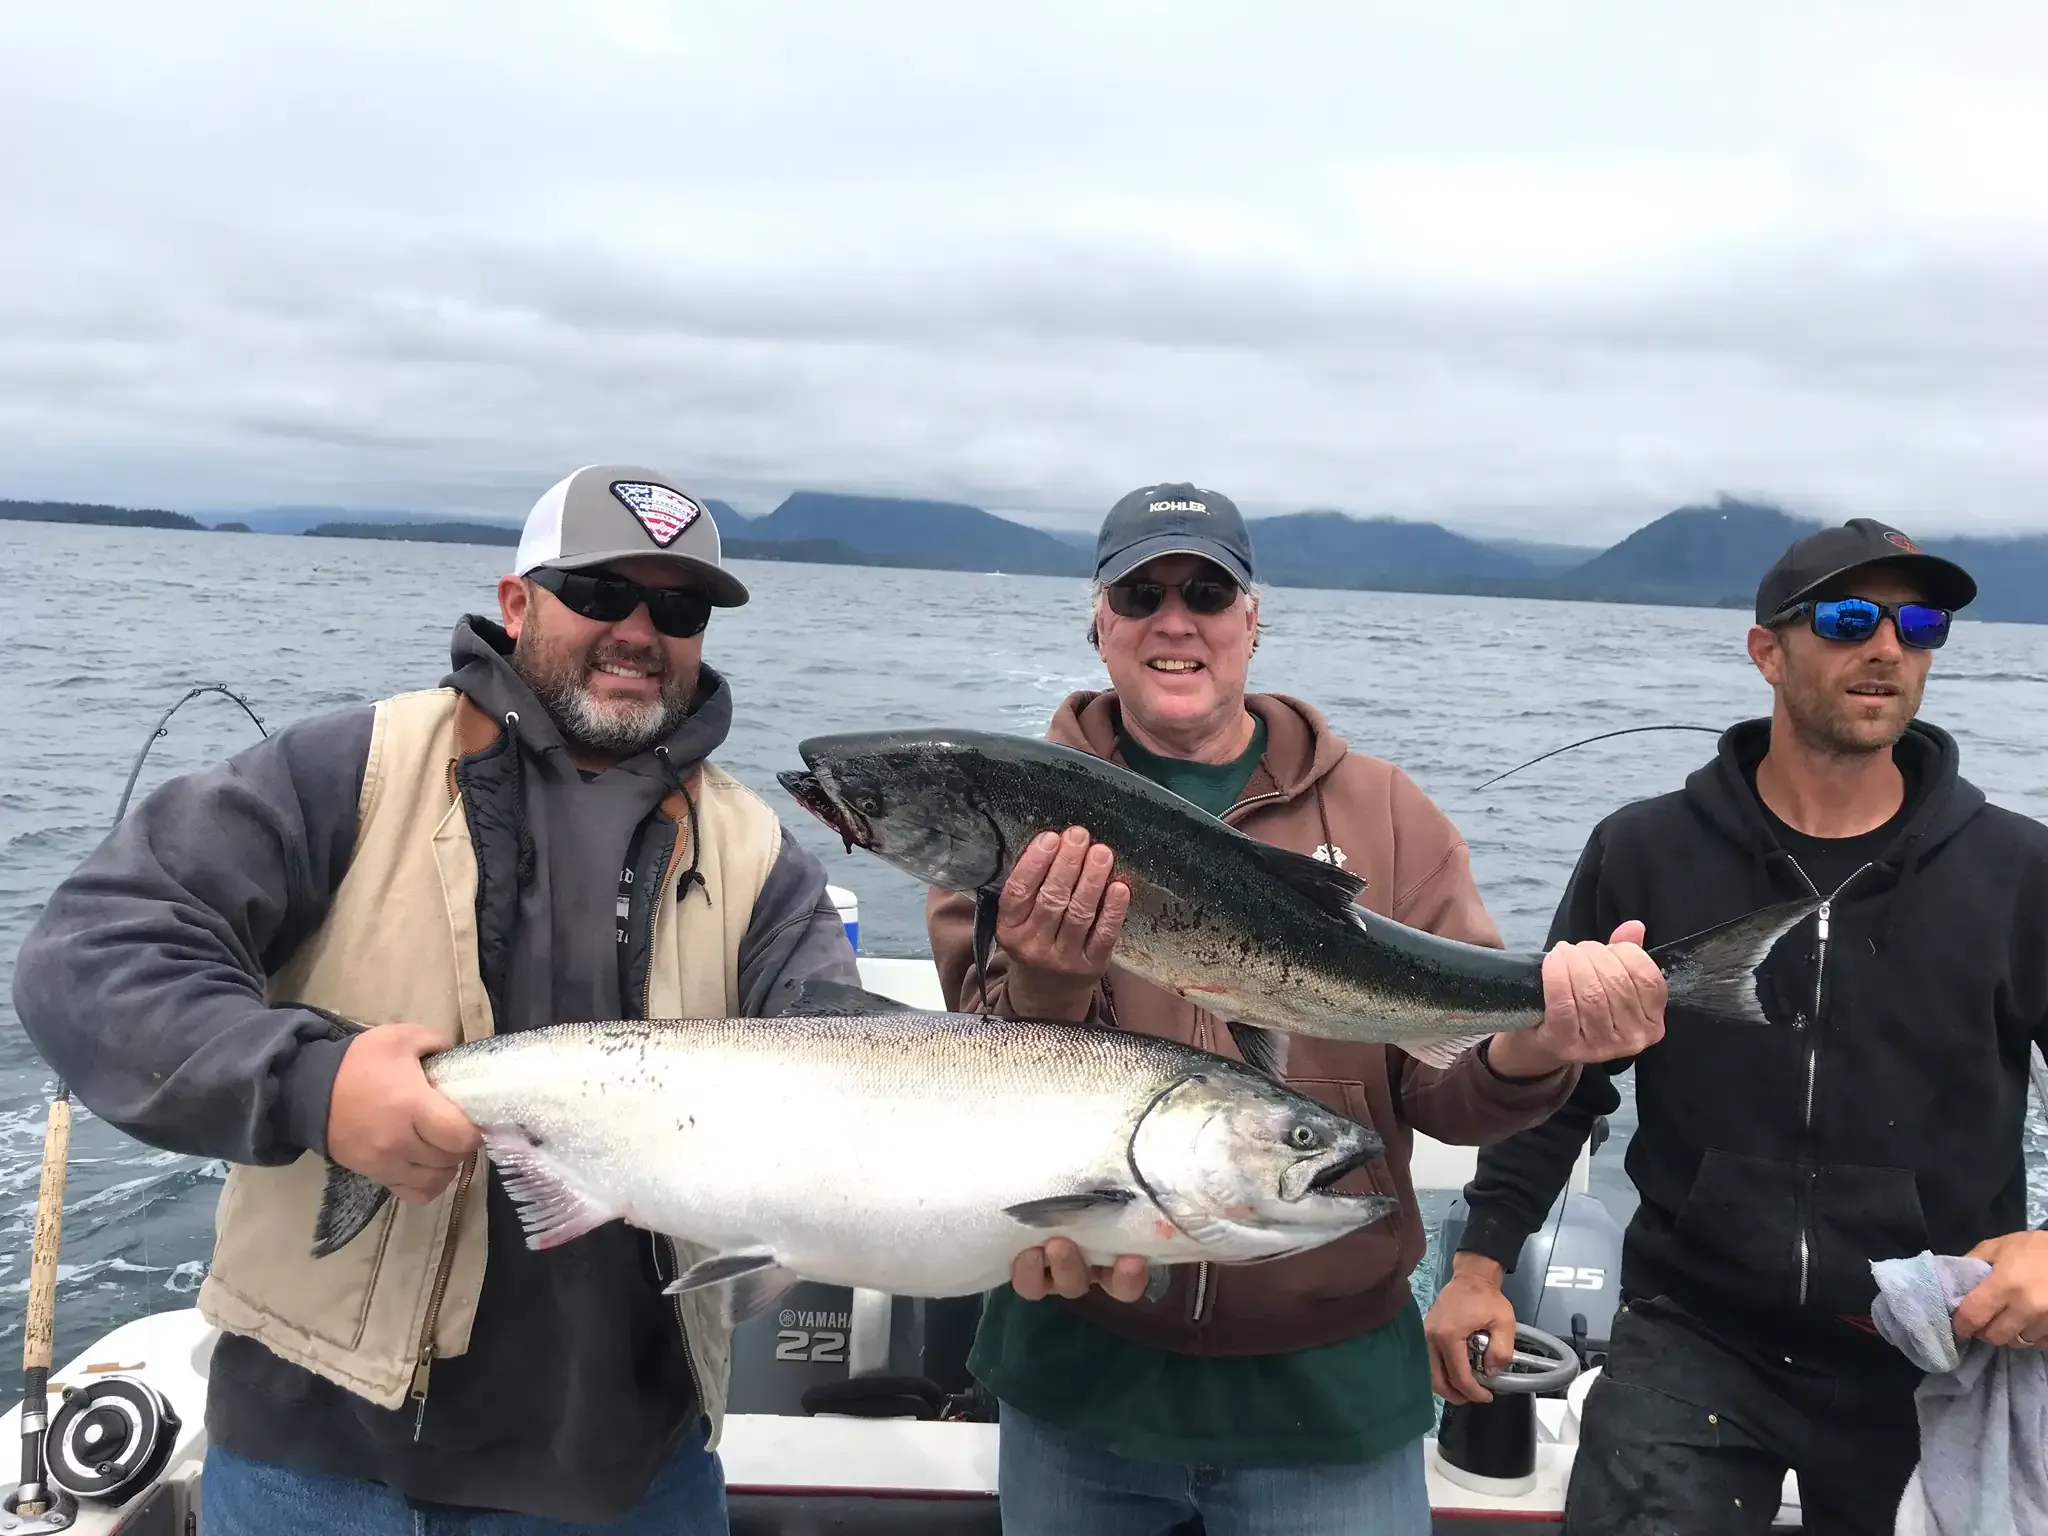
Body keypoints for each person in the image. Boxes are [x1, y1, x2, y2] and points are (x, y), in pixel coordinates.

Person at [11, 465, 862, 1534]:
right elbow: (92, 952)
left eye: (677, 608)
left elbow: (845, 1067)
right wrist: (312, 1085)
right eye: (599, 593)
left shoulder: (760, 855)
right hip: (316, 1469)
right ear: (517, 603)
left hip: (634, 1478)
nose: (638, 631)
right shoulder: (347, 771)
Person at [925, 481, 1672, 1535]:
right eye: (1140, 593)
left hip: (1325, 1401)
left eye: (1205, 591)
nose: (1173, 619)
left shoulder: (1386, 817)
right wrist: (1046, 981)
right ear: (1097, 621)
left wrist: (1537, 1042)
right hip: (1077, 1376)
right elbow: (967, 1089)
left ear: (1250, 619)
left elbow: (1450, 1097)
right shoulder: (1011, 810)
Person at [1425, 516, 2048, 1533]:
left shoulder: (2015, 874)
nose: (1885, 647)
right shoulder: (1644, 852)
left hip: (1933, 1339)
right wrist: (1479, 1264)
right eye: (1847, 619)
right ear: (1765, 649)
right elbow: (1562, 1076)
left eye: (1918, 623)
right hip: (1694, 1331)